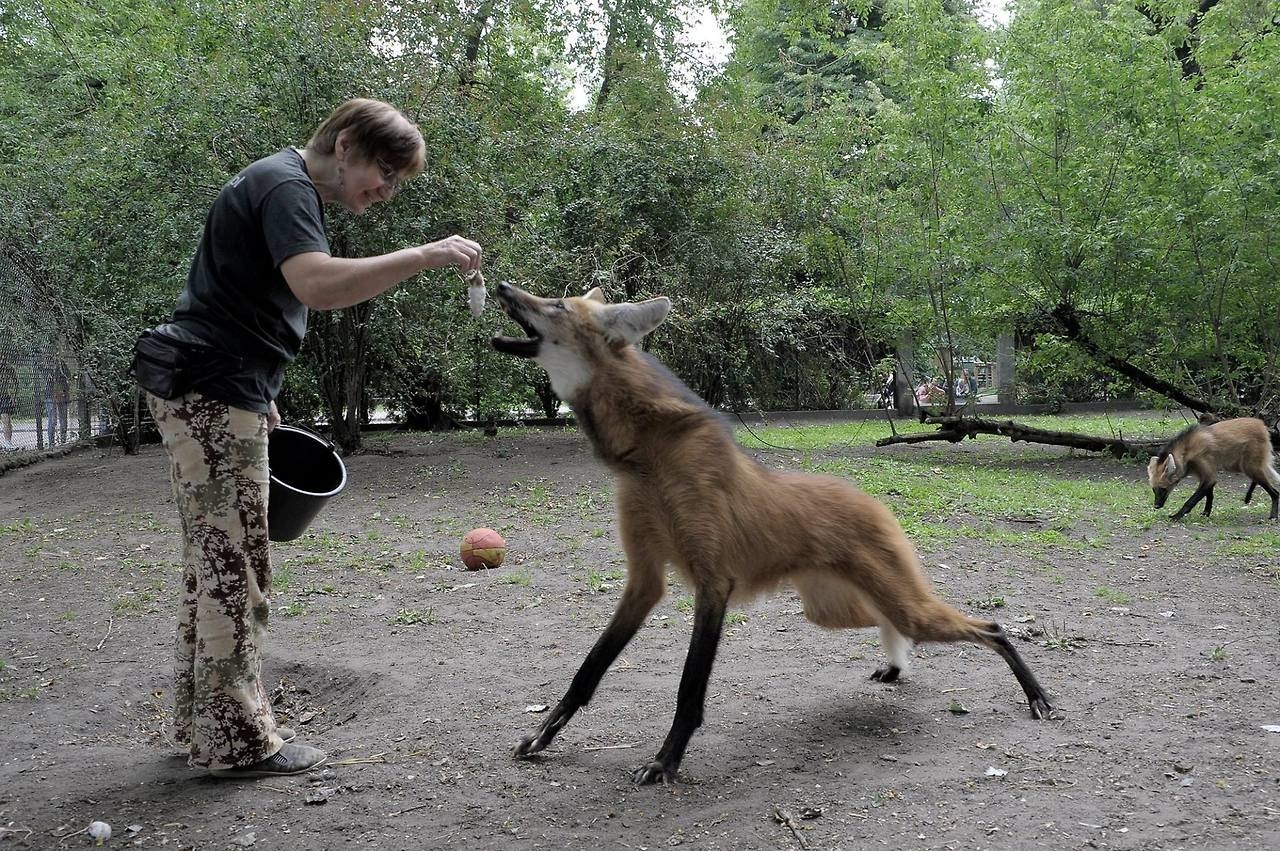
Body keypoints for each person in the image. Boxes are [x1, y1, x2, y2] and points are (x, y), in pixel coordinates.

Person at [141, 98, 483, 780]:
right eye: (383, 172)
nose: (384, 190)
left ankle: (200, 723)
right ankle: (239, 742)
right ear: (346, 143)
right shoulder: (288, 185)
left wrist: (261, 389)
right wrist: (425, 255)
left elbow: (233, 294)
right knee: (236, 566)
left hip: (214, 383)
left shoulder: (274, 183)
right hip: (210, 387)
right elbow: (316, 285)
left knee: (213, 561)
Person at [42, 354, 70, 446]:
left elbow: (68, 375)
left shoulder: (61, 365)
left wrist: (59, 367)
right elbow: (45, 379)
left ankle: (63, 440)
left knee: (63, 418)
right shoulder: (43, 367)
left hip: (62, 393)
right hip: (50, 395)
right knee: (52, 419)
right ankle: (51, 443)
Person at [0, 353, 19, 451]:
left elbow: (16, 383)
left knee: (6, 419)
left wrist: (14, 396)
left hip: (3, 396)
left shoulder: (9, 368)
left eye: (4, 357)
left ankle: (8, 443)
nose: (2, 360)